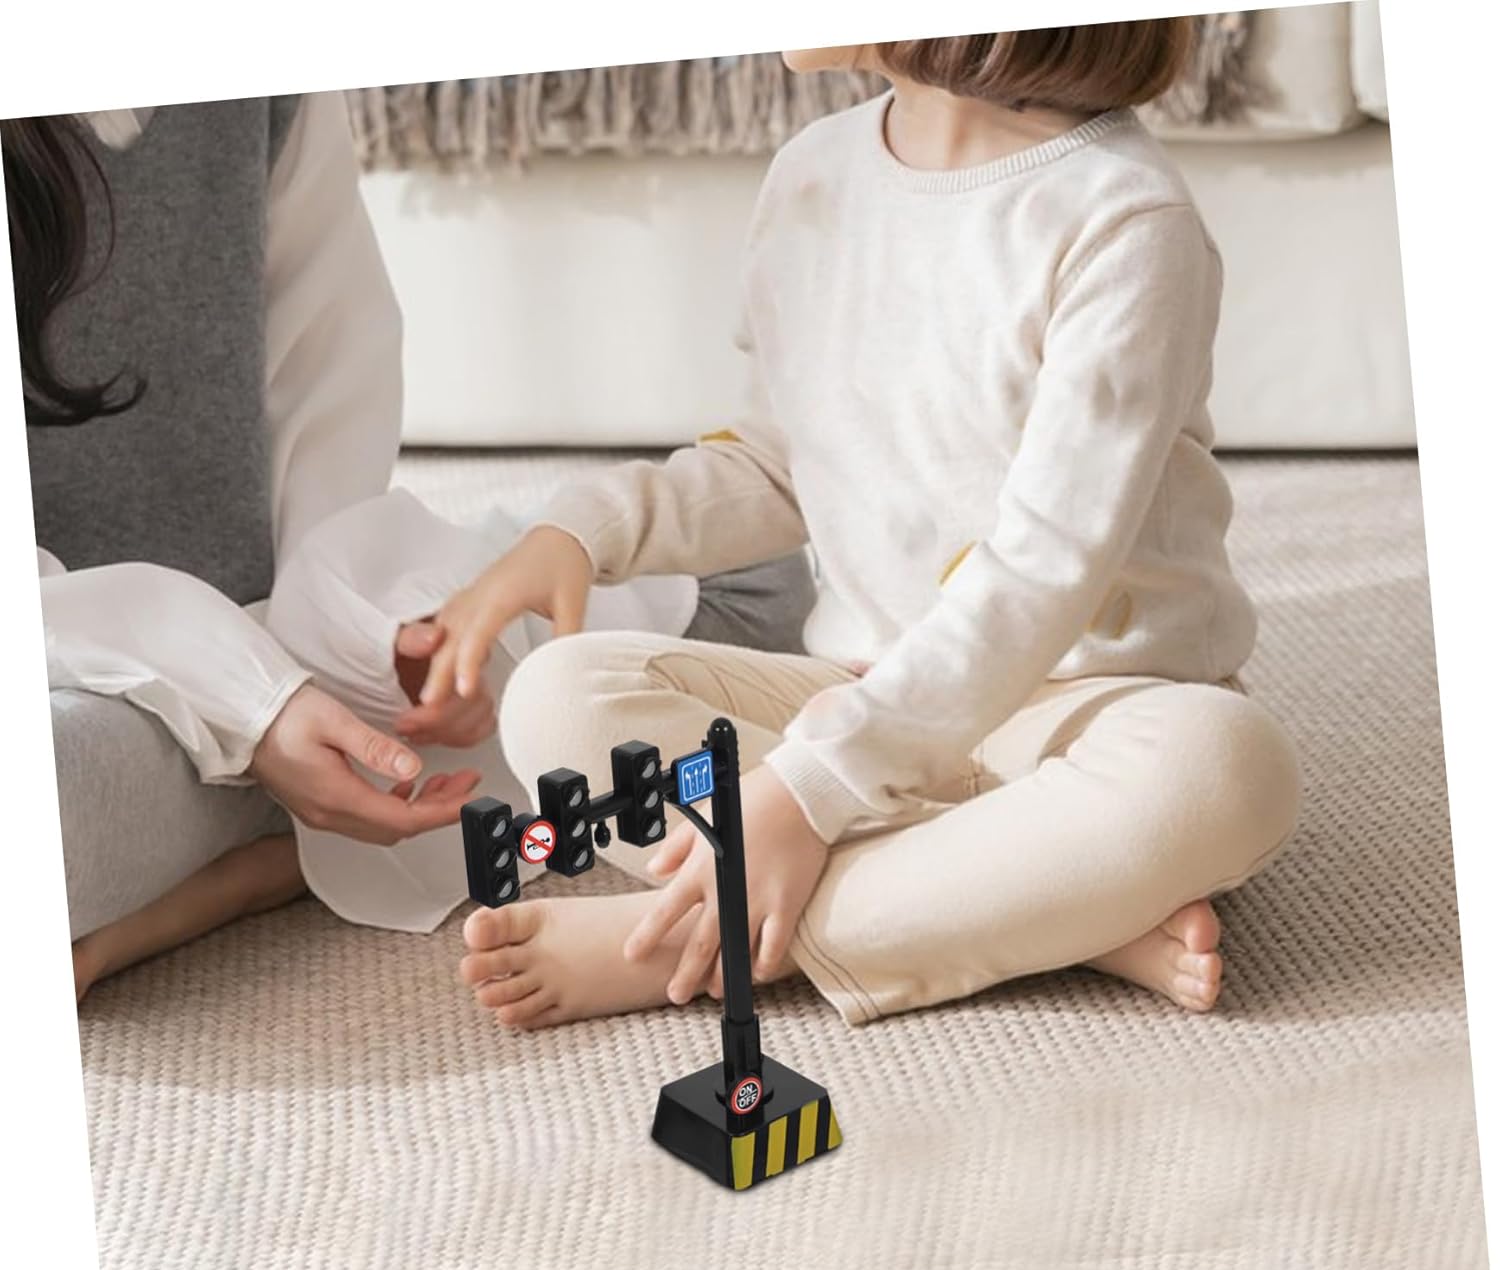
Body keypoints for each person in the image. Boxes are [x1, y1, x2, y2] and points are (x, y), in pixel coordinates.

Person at [429, 22, 1303, 1030]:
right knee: (557, 699)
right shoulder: (813, 173)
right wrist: (582, 533)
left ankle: (695, 940)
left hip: (1093, 709)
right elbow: (783, 462)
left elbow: (1043, 571)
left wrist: (805, 793)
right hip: (861, 693)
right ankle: (1045, 911)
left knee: (1225, 773)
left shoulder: (1127, 220)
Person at [8, 92, 813, 998]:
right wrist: (251, 703)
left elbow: (329, 405)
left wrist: (381, 642)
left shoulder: (266, 89)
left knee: (749, 576)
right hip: (66, 663)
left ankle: (265, 859)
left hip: (283, 625)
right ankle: (276, 850)